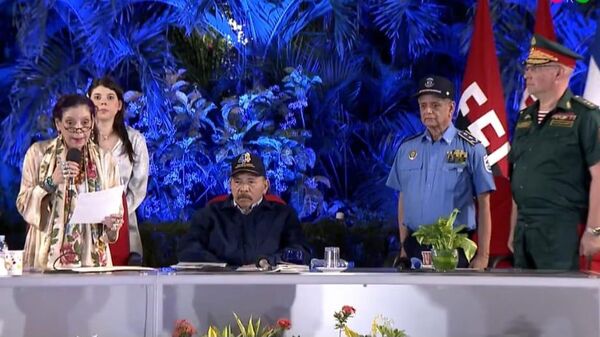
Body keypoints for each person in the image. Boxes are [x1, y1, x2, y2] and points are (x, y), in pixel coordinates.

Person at [508, 34, 600, 270]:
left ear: (559, 73)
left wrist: (594, 231)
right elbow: (520, 176)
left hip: (561, 230)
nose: (526, 73)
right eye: (527, 67)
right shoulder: (524, 119)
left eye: (535, 67)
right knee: (524, 303)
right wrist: (513, 228)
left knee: (558, 303)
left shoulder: (586, 116)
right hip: (524, 231)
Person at [386, 75, 496, 269]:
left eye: (435, 105)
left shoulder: (472, 148)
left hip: (453, 247)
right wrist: (403, 248)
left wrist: (483, 256)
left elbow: (484, 204)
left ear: (451, 108)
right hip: (414, 247)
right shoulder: (407, 149)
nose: (428, 111)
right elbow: (403, 199)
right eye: (423, 106)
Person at [16, 94, 123, 270]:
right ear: (58, 124)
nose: (78, 129)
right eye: (70, 123)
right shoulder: (37, 154)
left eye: (85, 122)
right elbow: (23, 202)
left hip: (91, 256)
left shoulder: (106, 160)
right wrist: (51, 182)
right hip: (46, 257)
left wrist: (112, 223)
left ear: (93, 123)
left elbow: (114, 210)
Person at [177, 152, 311, 268]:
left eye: (251, 182)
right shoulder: (210, 214)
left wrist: (268, 262)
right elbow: (187, 249)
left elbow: (301, 251)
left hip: (269, 288)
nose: (244, 188)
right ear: (230, 184)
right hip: (220, 288)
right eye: (237, 182)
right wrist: (220, 267)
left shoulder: (284, 215)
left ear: (265, 186)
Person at [88, 77, 149, 265]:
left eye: (109, 97)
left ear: (119, 105)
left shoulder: (135, 140)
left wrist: (116, 214)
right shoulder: (80, 139)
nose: (103, 102)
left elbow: (138, 188)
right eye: (97, 97)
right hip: (86, 223)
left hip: (123, 221)